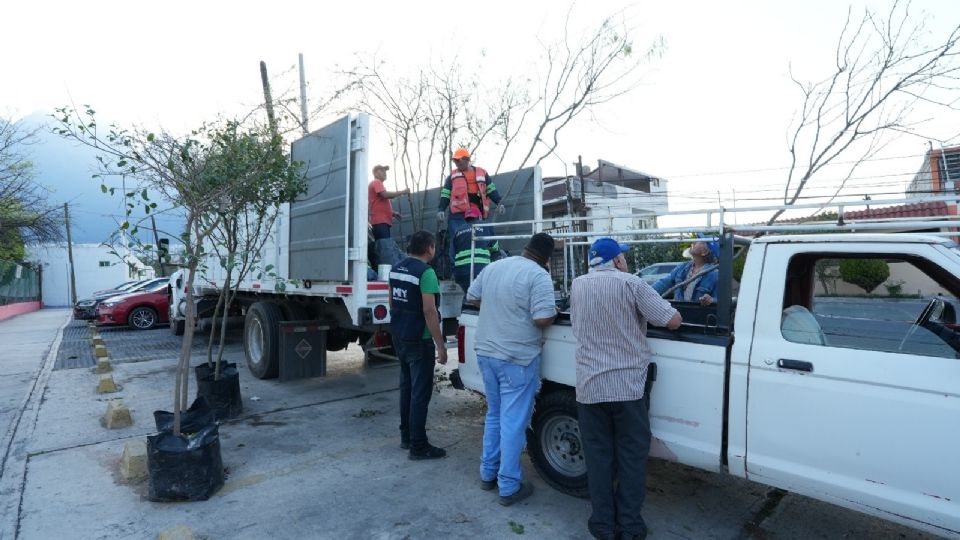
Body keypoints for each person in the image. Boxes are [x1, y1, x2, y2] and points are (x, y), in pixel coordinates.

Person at [570, 237, 682, 540]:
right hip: (628, 389)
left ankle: (603, 526)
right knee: (631, 458)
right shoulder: (631, 284)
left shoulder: (577, 285)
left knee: (598, 457)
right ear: (617, 261)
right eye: (623, 258)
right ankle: (630, 527)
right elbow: (672, 320)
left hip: (590, 388)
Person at [466, 232, 557, 506]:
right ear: (547, 258)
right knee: (513, 421)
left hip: (486, 353)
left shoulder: (495, 266)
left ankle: (487, 473)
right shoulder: (538, 276)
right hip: (516, 358)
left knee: (495, 414)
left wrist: (498, 307)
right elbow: (542, 318)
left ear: (526, 248)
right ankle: (509, 486)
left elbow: (472, 297)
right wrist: (552, 312)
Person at [388, 230, 448, 460]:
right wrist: (440, 346)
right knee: (420, 394)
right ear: (430, 248)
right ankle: (419, 446)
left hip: (400, 335)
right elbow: (429, 310)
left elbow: (392, 301)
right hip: (419, 339)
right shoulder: (426, 273)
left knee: (407, 388)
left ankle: (406, 437)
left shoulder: (396, 268)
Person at [437, 148, 504, 265]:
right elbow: (446, 193)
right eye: (455, 161)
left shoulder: (482, 173)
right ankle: (456, 269)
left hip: (477, 215)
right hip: (457, 216)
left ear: (467, 160)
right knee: (456, 241)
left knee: (484, 239)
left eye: (459, 160)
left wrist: (499, 202)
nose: (457, 163)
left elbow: (491, 189)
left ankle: (488, 264)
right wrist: (441, 209)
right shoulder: (452, 176)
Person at [651, 240, 718, 305]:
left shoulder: (714, 274)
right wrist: (645, 292)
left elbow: (721, 299)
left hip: (698, 314)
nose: (694, 242)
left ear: (705, 252)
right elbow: (663, 283)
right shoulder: (682, 267)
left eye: (700, 241)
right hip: (678, 313)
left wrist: (711, 300)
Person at [452, 207, 496, 293]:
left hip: (461, 273)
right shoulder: (486, 226)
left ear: (465, 219)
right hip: (480, 271)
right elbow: (494, 247)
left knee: (469, 296)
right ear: (479, 217)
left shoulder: (458, 231)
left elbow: (452, 254)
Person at [368, 165, 409, 240]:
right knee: (384, 248)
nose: (385, 173)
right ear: (375, 173)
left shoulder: (377, 185)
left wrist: (393, 213)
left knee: (383, 247)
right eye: (382, 170)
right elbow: (385, 195)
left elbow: (378, 204)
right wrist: (402, 192)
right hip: (380, 222)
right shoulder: (376, 182)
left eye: (385, 171)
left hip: (380, 223)